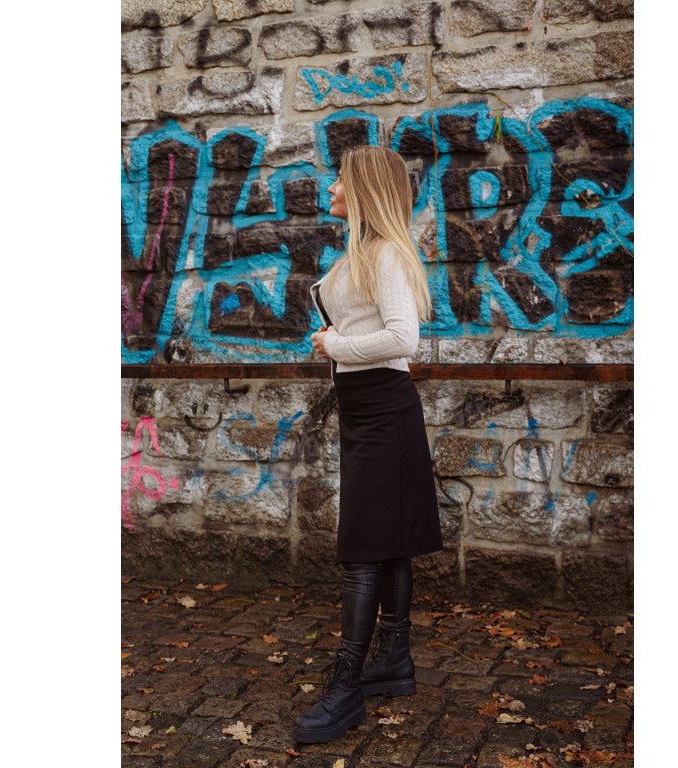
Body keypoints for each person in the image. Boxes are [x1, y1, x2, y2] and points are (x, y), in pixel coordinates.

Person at [291, 145, 444, 744]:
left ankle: (348, 685)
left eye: (339, 180)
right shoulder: (364, 252)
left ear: (363, 190)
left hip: (384, 408)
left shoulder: (385, 254)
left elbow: (403, 338)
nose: (330, 188)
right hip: (367, 408)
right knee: (388, 540)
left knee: (362, 549)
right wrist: (337, 338)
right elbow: (368, 328)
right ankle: (394, 662)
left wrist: (334, 346)